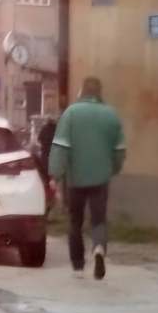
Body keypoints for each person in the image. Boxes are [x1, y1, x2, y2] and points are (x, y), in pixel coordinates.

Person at [49, 77, 127, 280]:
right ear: (99, 93)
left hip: (75, 179)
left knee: (75, 221)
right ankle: (99, 248)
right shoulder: (111, 115)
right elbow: (119, 149)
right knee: (99, 219)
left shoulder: (71, 113)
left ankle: (78, 267)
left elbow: (60, 147)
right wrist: (114, 168)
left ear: (82, 91)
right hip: (101, 178)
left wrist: (55, 175)